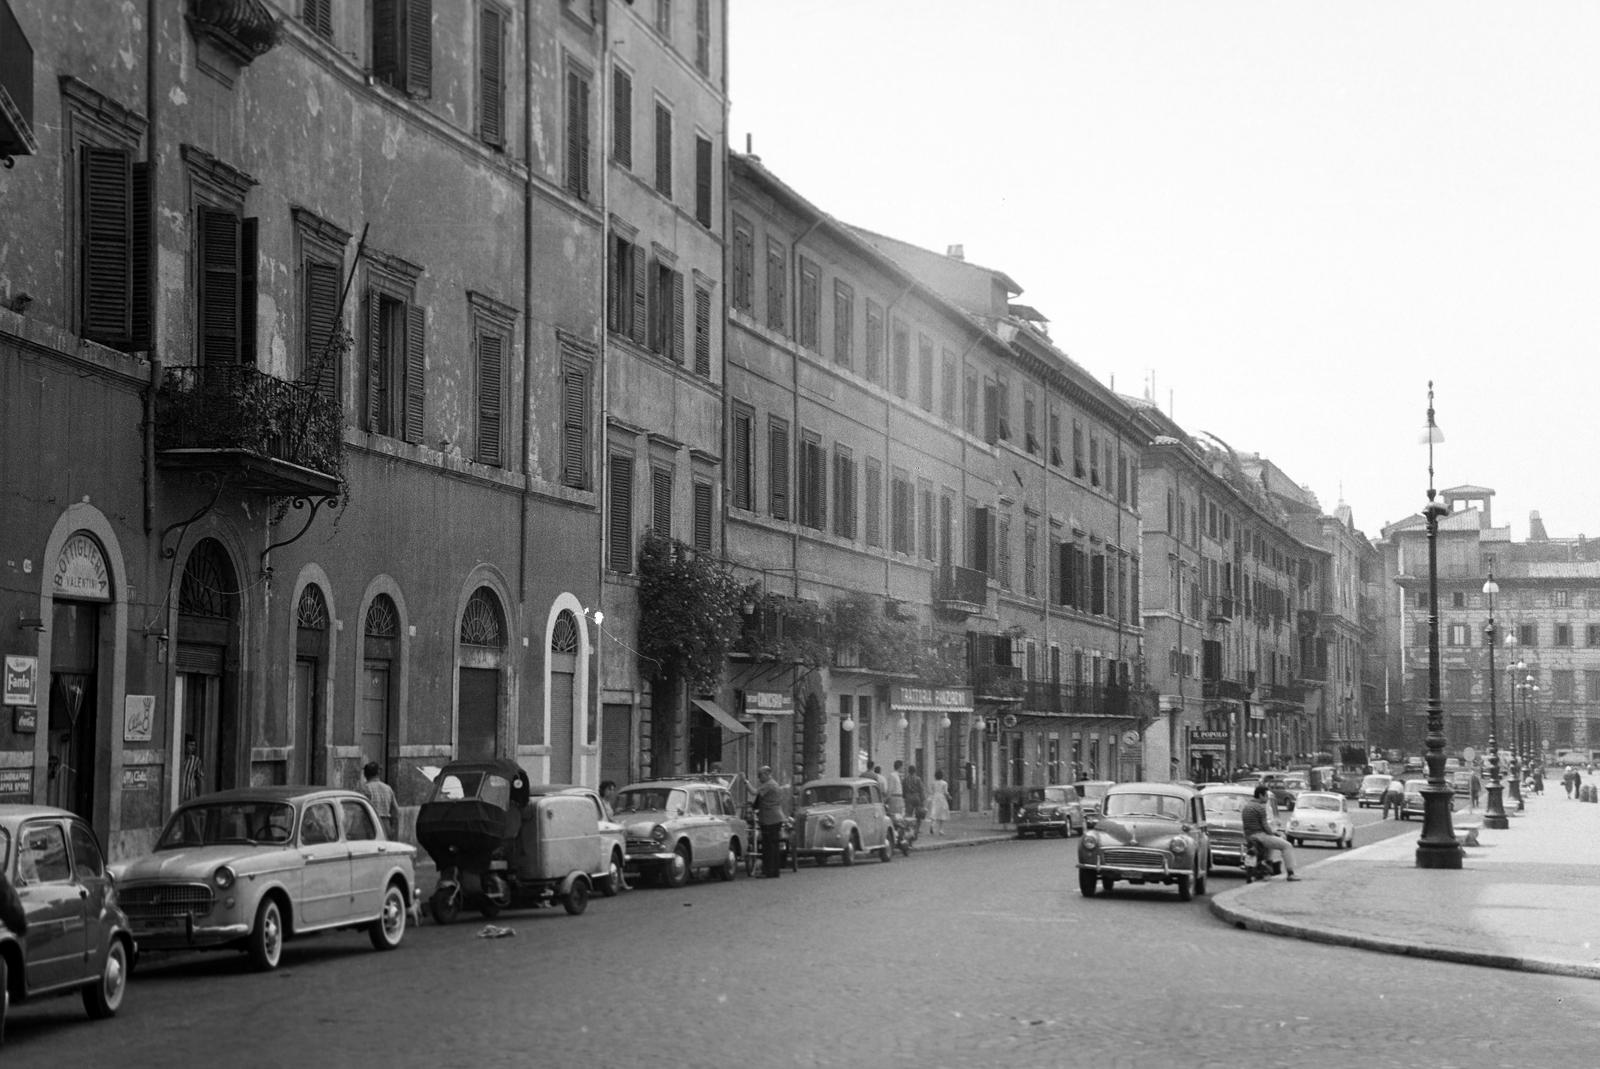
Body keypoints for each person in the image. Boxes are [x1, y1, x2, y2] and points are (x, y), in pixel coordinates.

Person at [1242, 783, 1299, 881]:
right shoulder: (1260, 808)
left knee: (1270, 844)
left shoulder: (1246, 807)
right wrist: (1274, 833)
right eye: (1266, 795)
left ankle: (1263, 867)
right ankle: (1290, 873)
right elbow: (1265, 826)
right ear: (1260, 795)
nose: (1267, 798)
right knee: (1287, 846)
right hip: (1260, 836)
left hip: (1249, 836)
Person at [753, 766, 788, 878]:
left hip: (770, 819)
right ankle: (773, 871)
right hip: (774, 817)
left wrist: (745, 781)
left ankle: (769, 871)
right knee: (772, 846)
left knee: (769, 846)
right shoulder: (773, 784)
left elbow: (754, 792)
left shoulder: (769, 784)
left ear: (767, 774)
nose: (759, 778)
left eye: (760, 775)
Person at [362, 761, 400, 839]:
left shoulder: (365, 788)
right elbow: (396, 810)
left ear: (365, 775)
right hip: (386, 824)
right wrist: (393, 827)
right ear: (378, 774)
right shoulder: (388, 788)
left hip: (371, 824)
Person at [902, 764, 926, 835]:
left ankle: (908, 828)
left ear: (908, 771)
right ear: (915, 771)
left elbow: (903, 789)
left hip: (908, 797)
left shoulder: (905, 780)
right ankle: (917, 829)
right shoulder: (918, 779)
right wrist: (923, 799)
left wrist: (904, 797)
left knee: (908, 814)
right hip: (917, 797)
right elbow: (921, 790)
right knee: (919, 814)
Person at [180, 734, 204, 802]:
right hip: (178, 795)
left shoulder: (196, 761)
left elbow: (199, 779)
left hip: (190, 796)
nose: (193, 747)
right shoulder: (177, 759)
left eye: (194, 745)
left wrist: (200, 796)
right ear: (184, 745)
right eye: (190, 745)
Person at [928, 769, 951, 836]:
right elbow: (946, 792)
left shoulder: (933, 783)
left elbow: (931, 791)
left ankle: (932, 824)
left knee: (934, 812)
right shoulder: (944, 783)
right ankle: (941, 830)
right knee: (942, 813)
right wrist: (949, 797)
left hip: (935, 797)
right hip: (941, 798)